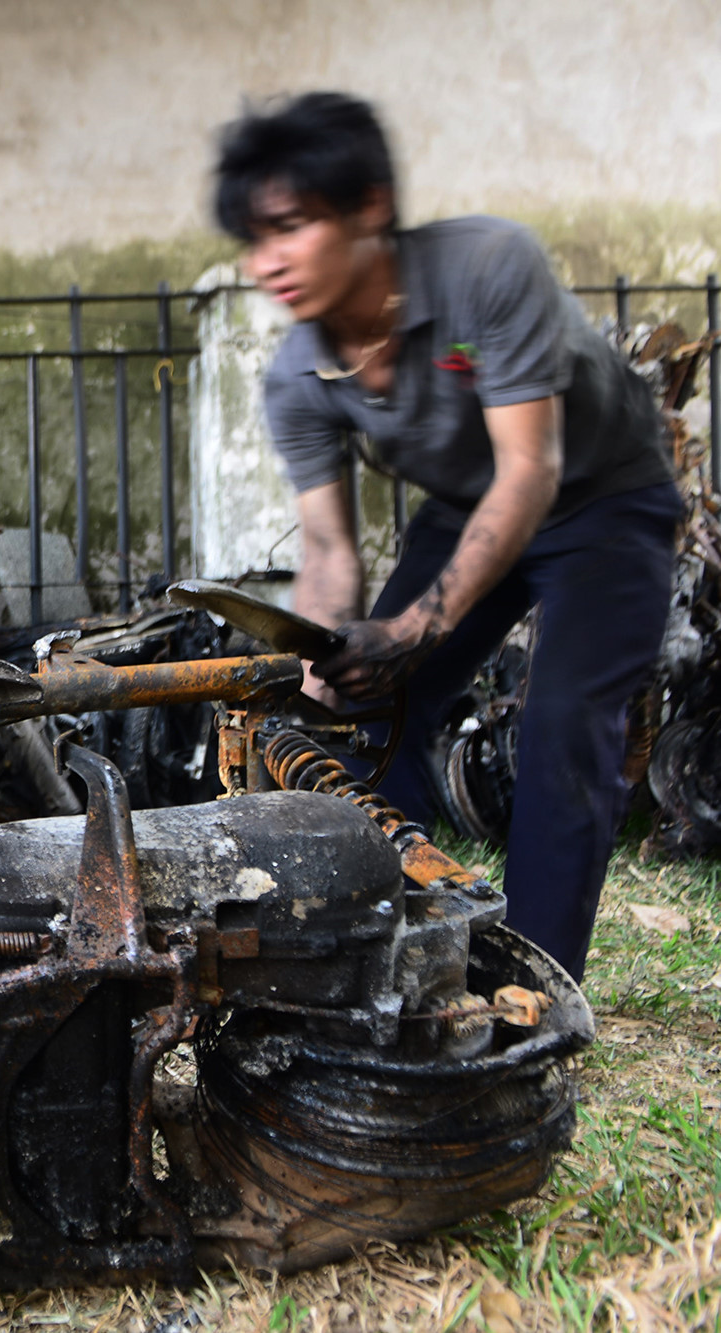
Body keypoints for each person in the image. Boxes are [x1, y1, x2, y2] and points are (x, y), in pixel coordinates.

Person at [213, 92, 679, 981]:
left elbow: (531, 470)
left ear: (370, 206)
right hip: (470, 508)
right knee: (368, 713)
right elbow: (329, 551)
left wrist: (413, 629)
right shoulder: (296, 376)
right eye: (253, 239)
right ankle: (401, 942)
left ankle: (532, 988)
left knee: (563, 726)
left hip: (604, 498)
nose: (266, 263)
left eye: (291, 227)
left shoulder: (488, 267)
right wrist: (318, 674)